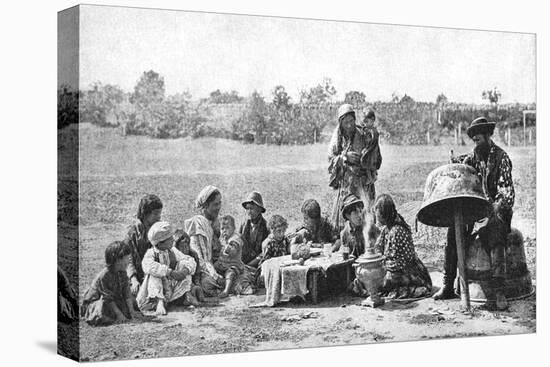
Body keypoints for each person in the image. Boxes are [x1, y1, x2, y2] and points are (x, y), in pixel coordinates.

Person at [434, 117, 514, 310]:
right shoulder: (473, 157)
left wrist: (490, 213)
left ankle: (499, 290)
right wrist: (453, 163)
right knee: (454, 231)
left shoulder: (501, 159)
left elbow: (507, 195)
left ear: (487, 137)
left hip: (496, 210)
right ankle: (447, 284)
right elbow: (461, 166)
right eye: (474, 141)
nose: (475, 144)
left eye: (478, 140)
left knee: (495, 233)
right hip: (476, 211)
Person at [328, 104, 382, 231]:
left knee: (364, 215)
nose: (349, 125)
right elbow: (331, 159)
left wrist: (367, 159)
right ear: (340, 123)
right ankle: (346, 238)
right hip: (347, 186)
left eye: (351, 121)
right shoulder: (337, 138)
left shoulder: (363, 134)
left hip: (363, 184)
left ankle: (367, 240)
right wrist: (345, 157)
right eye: (346, 122)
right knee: (347, 215)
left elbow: (376, 158)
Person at [372, 194, 432, 299]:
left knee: (381, 282)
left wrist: (383, 268)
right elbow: (378, 248)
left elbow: (401, 262)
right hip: (394, 269)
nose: (376, 216)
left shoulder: (397, 231)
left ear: (384, 213)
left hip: (410, 273)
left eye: (377, 212)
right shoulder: (386, 229)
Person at [137, 221, 198, 315]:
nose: (173, 240)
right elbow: (148, 265)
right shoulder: (151, 253)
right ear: (160, 243)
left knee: (183, 264)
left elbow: (189, 259)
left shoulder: (172, 250)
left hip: (170, 285)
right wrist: (169, 272)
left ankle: (186, 295)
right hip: (156, 288)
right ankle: (159, 302)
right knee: (154, 275)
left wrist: (185, 271)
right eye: (169, 239)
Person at [81, 241, 142, 326]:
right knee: (102, 307)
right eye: (126, 258)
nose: (128, 261)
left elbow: (126, 292)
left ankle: (120, 313)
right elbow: (108, 299)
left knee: (131, 300)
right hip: (101, 301)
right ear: (117, 260)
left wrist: (132, 312)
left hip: (114, 299)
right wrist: (119, 315)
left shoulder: (122, 272)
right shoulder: (104, 276)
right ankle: (112, 316)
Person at [184, 186, 225, 297]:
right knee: (208, 283)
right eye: (215, 204)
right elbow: (202, 259)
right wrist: (215, 275)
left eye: (219, 203)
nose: (219, 207)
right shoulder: (199, 224)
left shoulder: (214, 222)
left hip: (212, 264)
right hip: (200, 268)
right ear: (206, 206)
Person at [124, 194, 163, 297]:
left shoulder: (159, 229)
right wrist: (133, 278)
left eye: (159, 214)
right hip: (136, 274)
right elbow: (128, 259)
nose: (159, 217)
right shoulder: (133, 233)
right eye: (155, 214)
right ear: (145, 214)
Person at [214, 215, 247, 298]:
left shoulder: (235, 238)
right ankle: (216, 287)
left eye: (227, 228)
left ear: (234, 228)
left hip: (234, 264)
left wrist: (228, 247)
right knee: (213, 268)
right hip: (222, 263)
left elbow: (233, 251)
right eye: (222, 229)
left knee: (230, 273)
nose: (224, 231)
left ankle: (226, 290)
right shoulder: (222, 238)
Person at [239, 191, 270, 267]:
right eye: (247, 209)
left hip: (258, 262)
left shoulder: (266, 227)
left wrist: (250, 265)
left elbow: (265, 252)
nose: (249, 212)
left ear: (259, 209)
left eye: (251, 208)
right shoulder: (243, 225)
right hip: (243, 261)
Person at [174, 229, 205, 302]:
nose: (185, 249)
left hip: (191, 279)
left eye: (186, 246)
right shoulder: (174, 256)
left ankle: (194, 290)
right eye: (181, 246)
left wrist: (197, 283)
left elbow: (197, 272)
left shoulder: (193, 254)